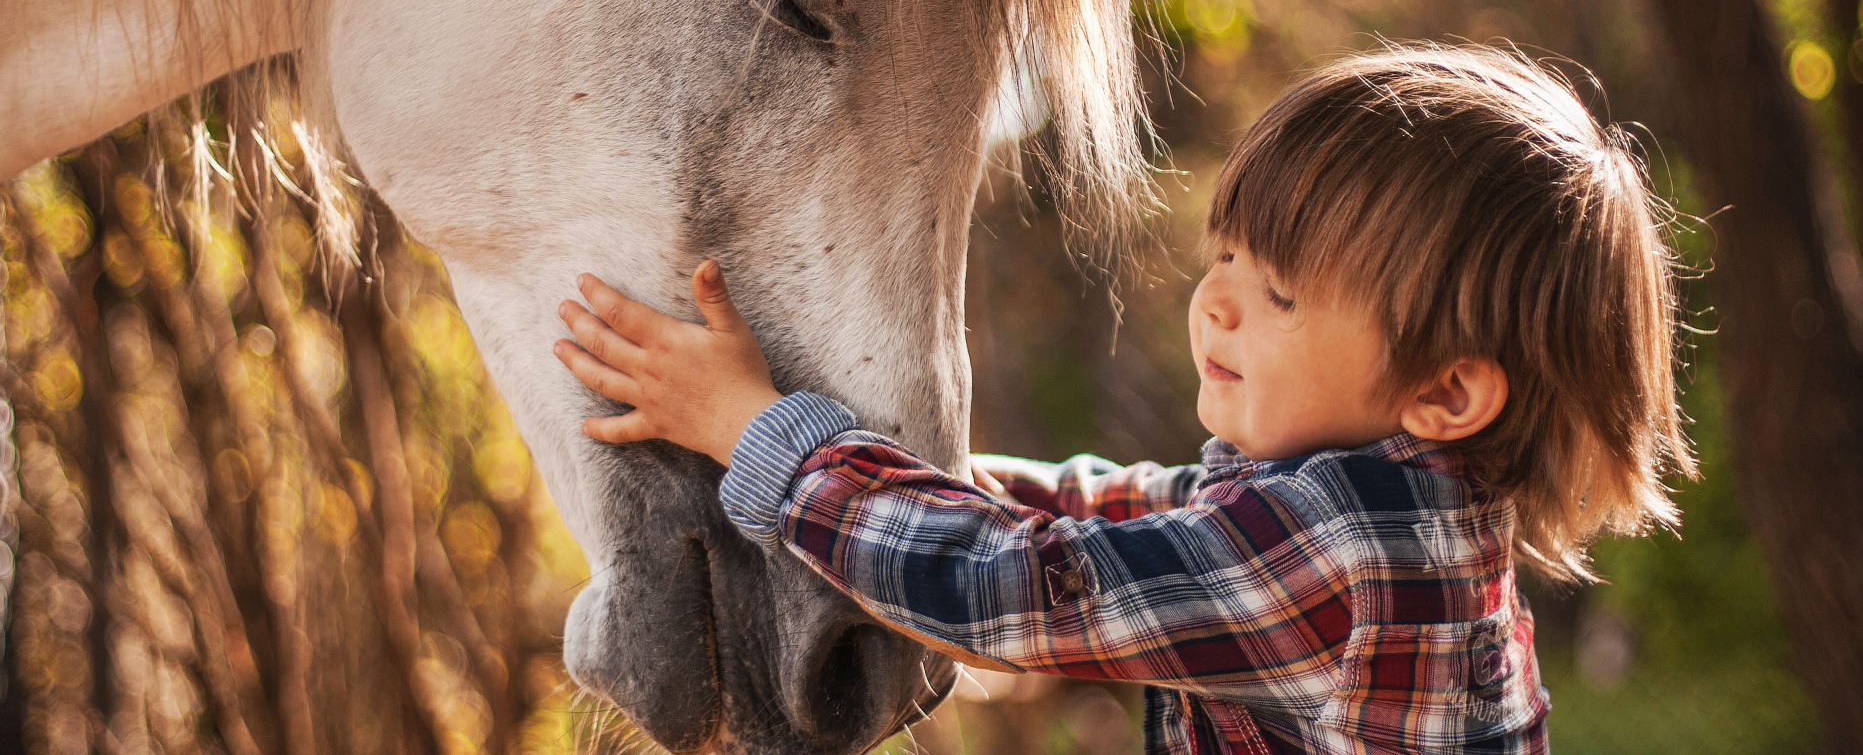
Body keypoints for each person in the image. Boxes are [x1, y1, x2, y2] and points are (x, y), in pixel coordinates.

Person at [551, 44, 1696, 755]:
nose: (1218, 303)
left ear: (1448, 391)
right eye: (1229, 256)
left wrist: (765, 442)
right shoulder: (1384, 505)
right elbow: (1145, 514)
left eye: (1281, 290)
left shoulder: (1341, 551)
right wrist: (942, 469)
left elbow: (1028, 590)